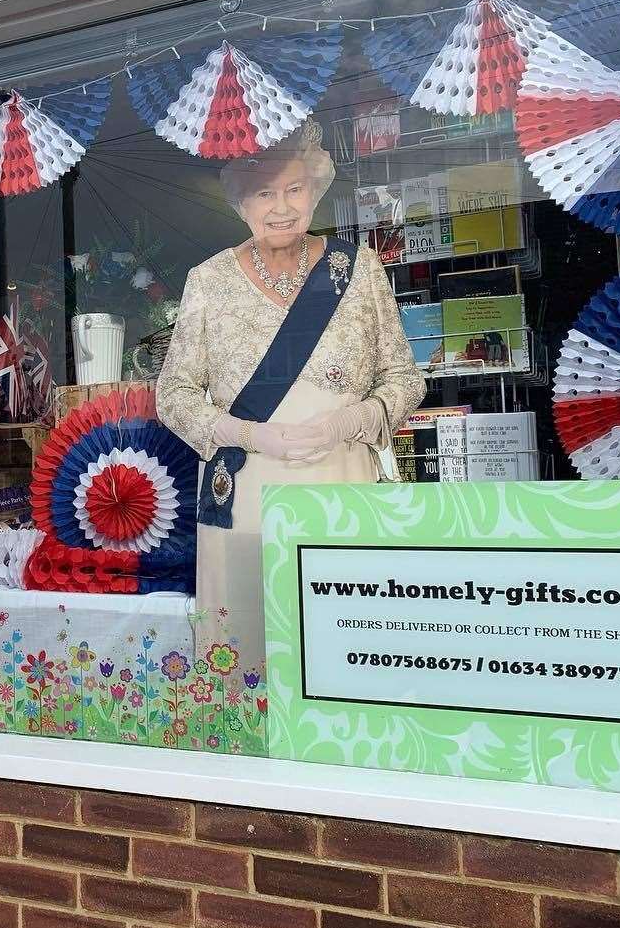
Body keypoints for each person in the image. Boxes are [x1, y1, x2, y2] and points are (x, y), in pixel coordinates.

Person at [155, 119, 425, 663]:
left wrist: (351, 421)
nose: (281, 206)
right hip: (250, 493)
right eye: (264, 192)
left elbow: (405, 378)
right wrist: (249, 433)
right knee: (251, 651)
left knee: (344, 647)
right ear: (241, 203)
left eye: (294, 189)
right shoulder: (207, 281)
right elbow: (174, 395)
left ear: (315, 190)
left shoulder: (359, 269)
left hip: (342, 485)